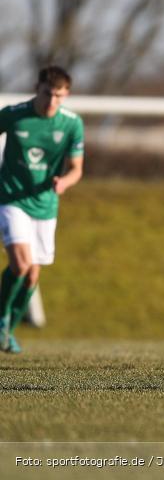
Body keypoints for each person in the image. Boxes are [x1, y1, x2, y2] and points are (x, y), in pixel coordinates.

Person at [0, 66, 84, 354]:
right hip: (12, 199)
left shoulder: (72, 124)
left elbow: (76, 169)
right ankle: (1, 321)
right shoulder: (14, 114)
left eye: (59, 96)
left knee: (32, 276)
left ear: (66, 95)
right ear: (37, 88)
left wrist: (64, 183)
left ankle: (8, 331)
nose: (52, 102)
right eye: (48, 93)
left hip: (46, 204)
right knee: (21, 265)